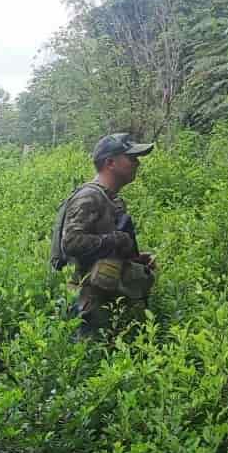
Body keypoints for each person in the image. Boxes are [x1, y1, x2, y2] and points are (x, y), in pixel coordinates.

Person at [52, 133, 158, 340]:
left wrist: (134, 258)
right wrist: (116, 239)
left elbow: (101, 246)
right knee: (88, 358)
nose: (137, 163)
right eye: (131, 158)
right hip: (89, 300)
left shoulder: (113, 200)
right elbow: (71, 242)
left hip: (109, 296)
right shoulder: (89, 197)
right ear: (110, 162)